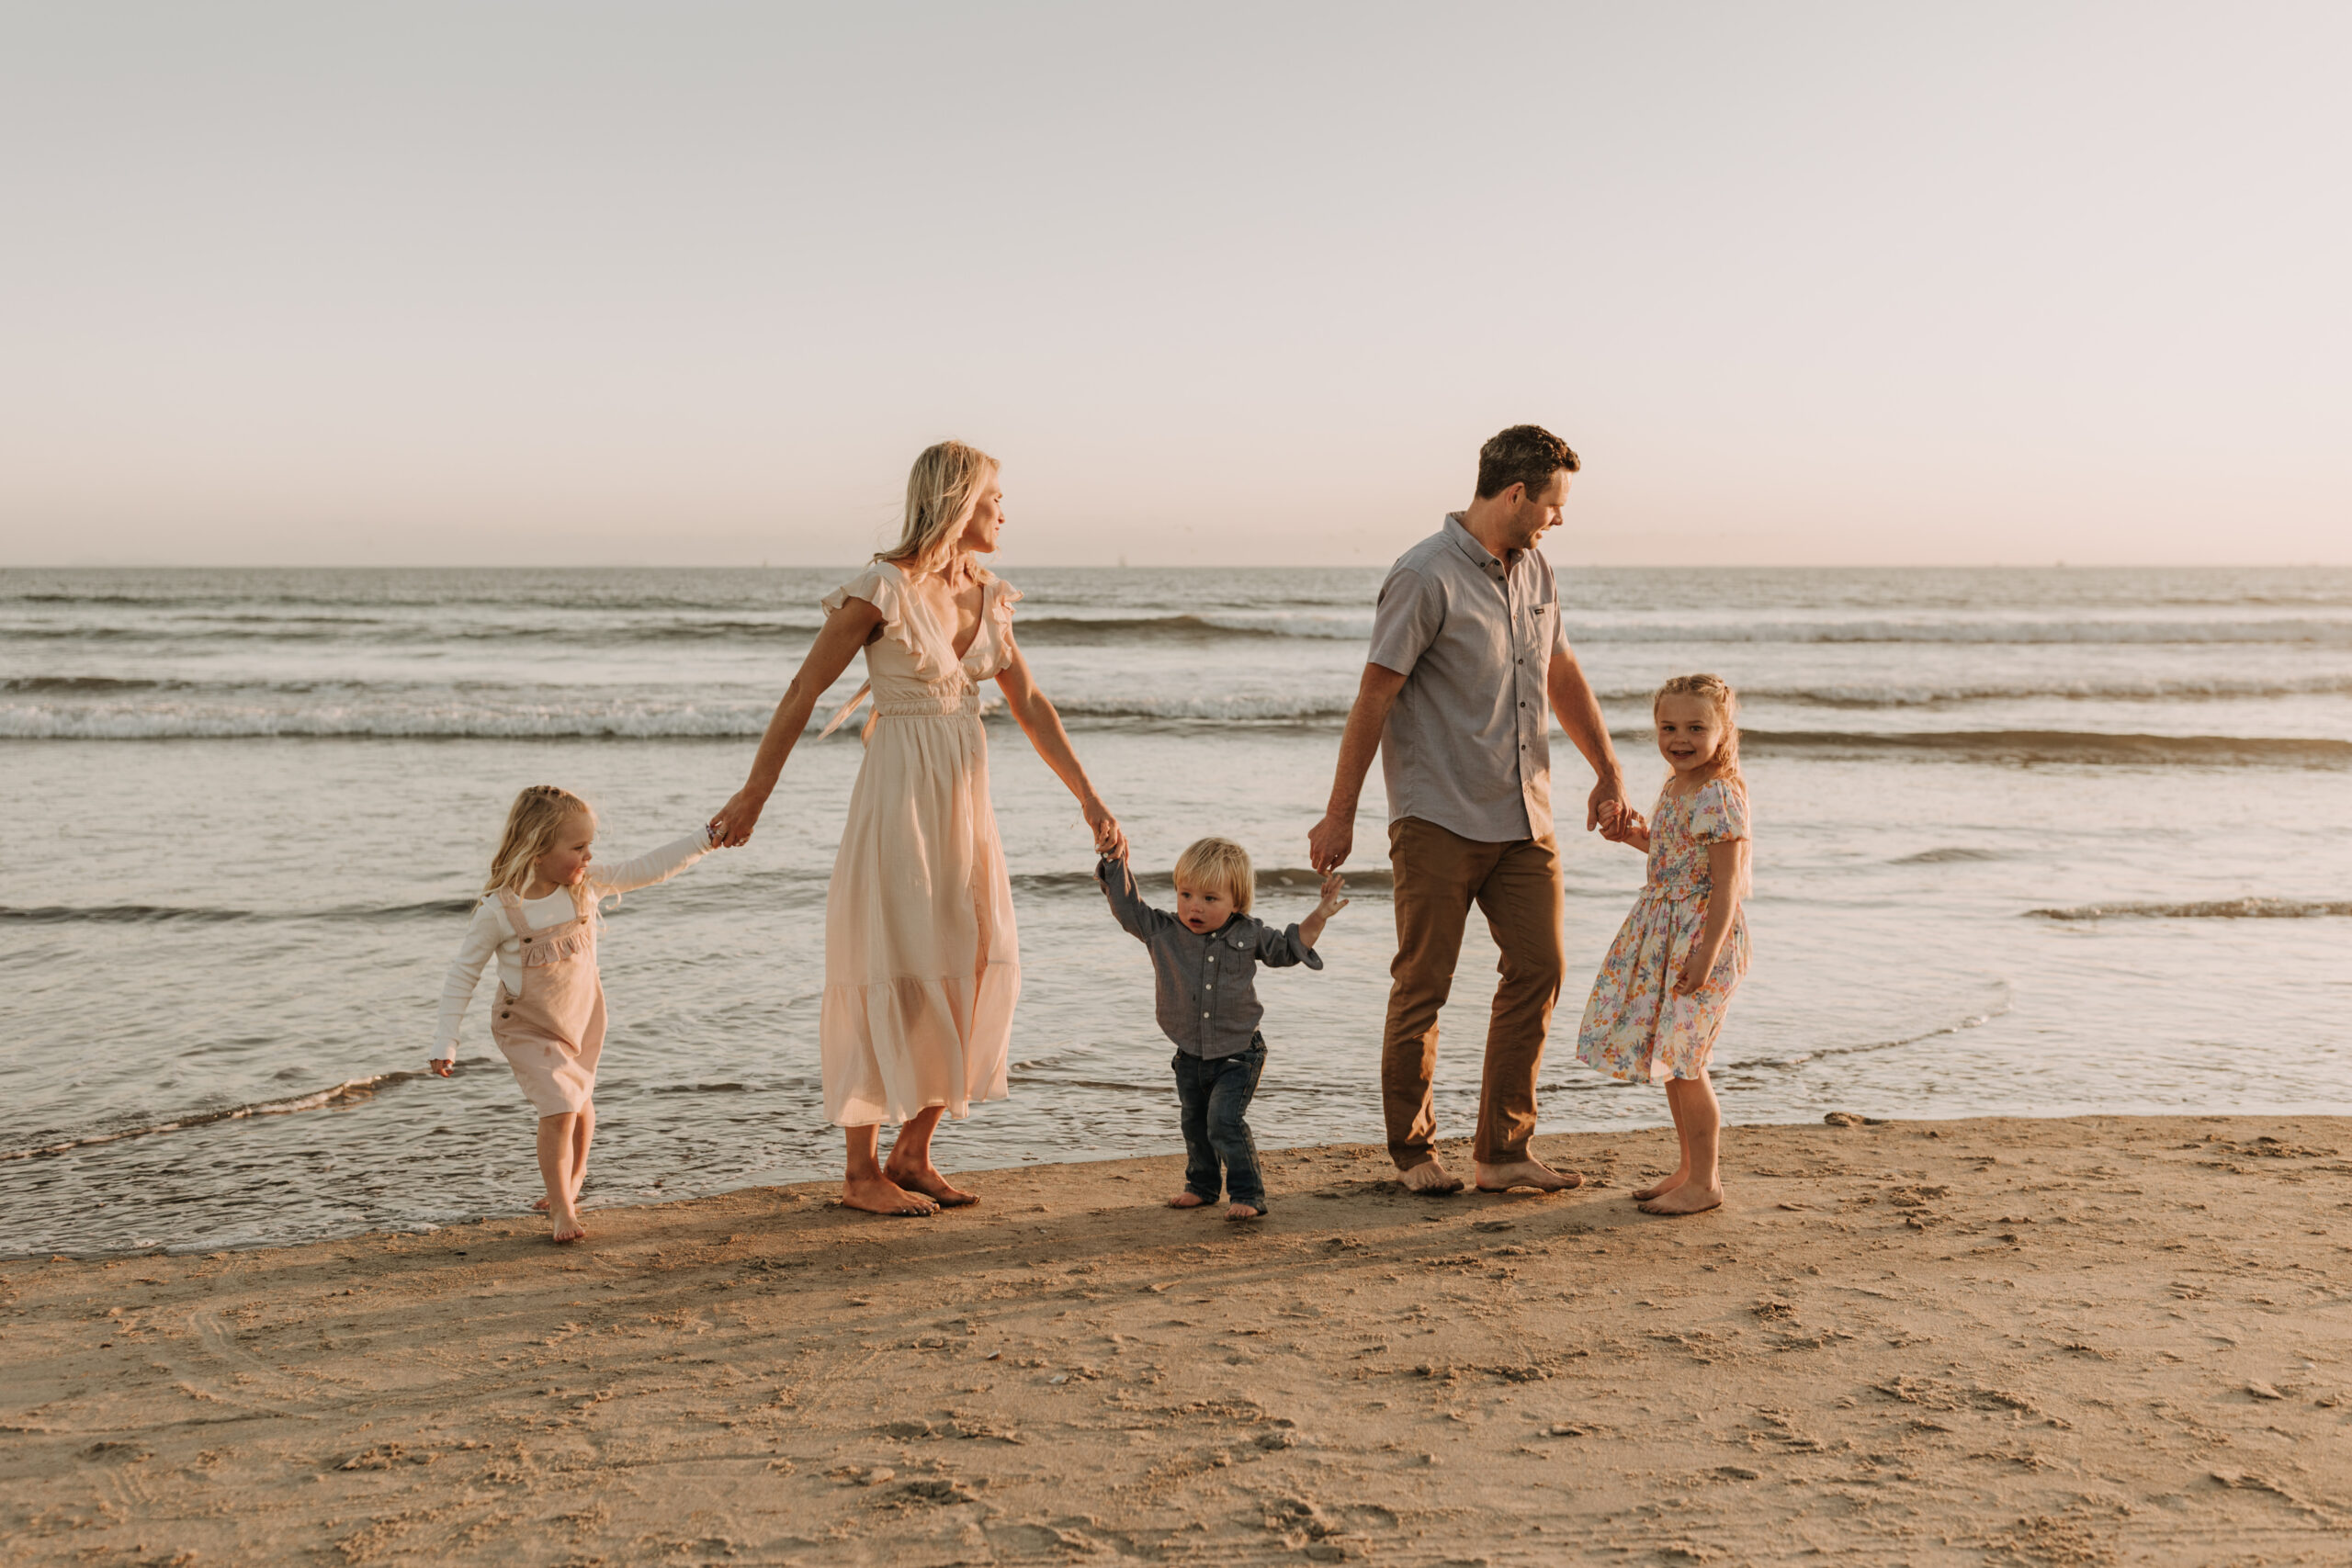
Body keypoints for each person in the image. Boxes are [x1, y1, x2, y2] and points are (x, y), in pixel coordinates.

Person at [708, 441, 1124, 1217]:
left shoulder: (990, 594)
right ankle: (860, 1169)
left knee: (976, 956)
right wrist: (753, 793)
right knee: (888, 961)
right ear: (962, 500)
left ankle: (913, 1149)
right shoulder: (883, 589)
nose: (1006, 511)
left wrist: (1090, 800)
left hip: (966, 802)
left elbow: (1032, 704)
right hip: (899, 799)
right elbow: (806, 687)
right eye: (997, 497)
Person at [1306, 424, 1628, 1196]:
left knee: (1539, 969)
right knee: (1424, 984)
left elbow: (1561, 668)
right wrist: (1340, 813)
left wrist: (1608, 769)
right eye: (1553, 503)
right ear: (1516, 495)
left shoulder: (1537, 569)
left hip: (1527, 815)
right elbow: (1375, 692)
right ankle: (1414, 1152)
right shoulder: (1424, 575)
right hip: (1437, 813)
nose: (1559, 519)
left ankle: (1503, 1151)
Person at [432, 784, 724, 1243]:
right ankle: (562, 1209)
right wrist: (446, 1040)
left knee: (582, 1104)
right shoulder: (500, 910)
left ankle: (573, 1180)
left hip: (581, 1017)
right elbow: (461, 975)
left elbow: (649, 868)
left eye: (591, 845)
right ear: (538, 846)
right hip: (527, 1027)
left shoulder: (584, 888)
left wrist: (706, 837)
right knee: (560, 1106)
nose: (588, 856)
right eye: (578, 847)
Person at [1575, 674, 1753, 1216]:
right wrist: (1630, 834)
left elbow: (1725, 885)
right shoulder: (1678, 786)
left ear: (1722, 732)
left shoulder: (1719, 793)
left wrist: (1704, 957)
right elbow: (1672, 853)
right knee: (1675, 1058)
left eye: (1696, 727)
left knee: (1688, 1061)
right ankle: (1688, 1169)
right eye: (1668, 726)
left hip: (1703, 937)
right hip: (1667, 932)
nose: (1680, 737)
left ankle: (1707, 1182)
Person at [1096, 836, 1348, 1220]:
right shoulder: (1162, 931)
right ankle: (1202, 1185)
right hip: (1189, 1053)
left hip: (1239, 1052)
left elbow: (1288, 949)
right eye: (1186, 894)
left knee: (1224, 1123)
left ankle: (1248, 1194)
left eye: (1210, 899)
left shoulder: (1249, 934)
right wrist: (1114, 860)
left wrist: (1321, 913)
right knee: (1194, 1123)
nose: (1194, 906)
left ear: (1237, 903)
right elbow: (1127, 906)